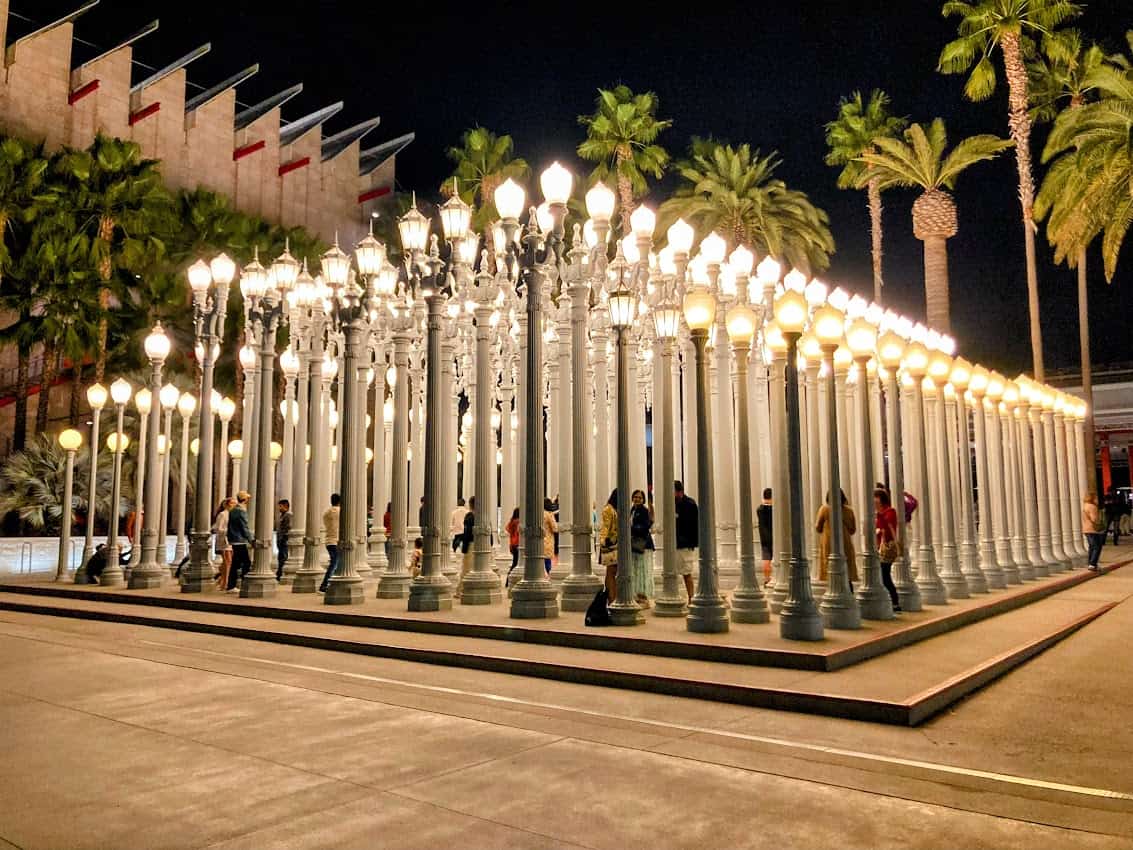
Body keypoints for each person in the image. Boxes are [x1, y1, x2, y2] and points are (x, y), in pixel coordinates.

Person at [817, 489, 857, 587]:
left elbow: (818, 527)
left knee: (831, 569)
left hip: (829, 543)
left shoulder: (824, 509)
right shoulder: (849, 511)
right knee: (846, 571)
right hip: (845, 543)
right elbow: (853, 530)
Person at [875, 488, 901, 611]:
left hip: (887, 547)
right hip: (880, 547)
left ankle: (895, 602)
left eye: (876, 497)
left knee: (884, 575)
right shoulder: (878, 513)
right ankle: (893, 602)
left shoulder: (889, 512)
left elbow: (891, 528)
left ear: (881, 499)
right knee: (883, 575)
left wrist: (896, 544)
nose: (874, 500)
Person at [674, 480, 698, 601]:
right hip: (676, 543)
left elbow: (692, 525)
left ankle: (691, 597)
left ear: (679, 492)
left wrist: (689, 542)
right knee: (675, 572)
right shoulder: (674, 503)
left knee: (686, 572)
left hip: (685, 544)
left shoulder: (689, 504)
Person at [630, 489, 654, 608]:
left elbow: (646, 526)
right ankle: (638, 597)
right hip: (634, 545)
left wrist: (631, 529)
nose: (637, 499)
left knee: (642, 571)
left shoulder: (644, 511)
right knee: (636, 571)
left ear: (643, 499)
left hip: (643, 545)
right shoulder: (632, 510)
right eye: (635, 497)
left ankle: (644, 598)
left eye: (639, 497)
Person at [225, 491, 252, 591]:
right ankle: (243, 583)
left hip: (234, 539)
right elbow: (244, 527)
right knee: (246, 562)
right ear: (245, 499)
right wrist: (251, 540)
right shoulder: (241, 511)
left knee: (236, 563)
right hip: (240, 540)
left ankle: (231, 585)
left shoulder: (233, 510)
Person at [318, 493, 341, 593]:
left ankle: (330, 584)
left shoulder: (326, 512)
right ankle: (324, 585)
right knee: (334, 564)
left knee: (335, 563)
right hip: (336, 541)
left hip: (328, 541)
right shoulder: (340, 512)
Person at [599, 489, 618, 602]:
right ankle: (611, 598)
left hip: (615, 544)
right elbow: (605, 527)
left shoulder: (614, 509)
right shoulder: (608, 509)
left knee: (611, 572)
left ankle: (611, 597)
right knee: (611, 572)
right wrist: (603, 542)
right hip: (610, 545)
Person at [213, 498, 234, 590]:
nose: (234, 505)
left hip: (230, 540)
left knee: (228, 562)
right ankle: (224, 583)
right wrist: (230, 531)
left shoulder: (231, 514)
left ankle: (222, 580)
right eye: (233, 503)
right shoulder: (222, 514)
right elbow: (219, 529)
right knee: (227, 562)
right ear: (227, 504)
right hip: (224, 541)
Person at [1083, 491, 1105, 570]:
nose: (1097, 499)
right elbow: (1094, 519)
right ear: (1092, 498)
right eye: (1095, 497)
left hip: (1086, 529)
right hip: (1093, 529)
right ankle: (1093, 564)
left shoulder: (1085, 505)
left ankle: (1090, 563)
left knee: (1092, 547)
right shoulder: (1092, 507)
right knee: (1097, 547)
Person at [757, 488, 773, 585]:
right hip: (773, 537)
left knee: (766, 558)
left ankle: (766, 579)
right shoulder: (773, 509)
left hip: (764, 538)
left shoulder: (759, 509)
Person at [276, 499, 292, 581]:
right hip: (280, 540)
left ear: (286, 506)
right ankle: (279, 574)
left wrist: (284, 538)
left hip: (284, 540)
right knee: (280, 558)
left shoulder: (288, 515)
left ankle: (280, 575)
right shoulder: (281, 515)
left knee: (283, 557)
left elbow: (288, 528)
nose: (279, 508)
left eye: (280, 506)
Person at [543, 497, 557, 575]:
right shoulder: (549, 515)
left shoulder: (538, 513)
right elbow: (555, 528)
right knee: (547, 562)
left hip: (539, 540)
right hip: (548, 540)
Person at [506, 507, 521, 581]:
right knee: (516, 563)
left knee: (514, 562)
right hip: (518, 543)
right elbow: (519, 531)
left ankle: (508, 580)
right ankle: (509, 580)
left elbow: (507, 529)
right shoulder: (519, 522)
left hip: (512, 544)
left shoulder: (511, 522)